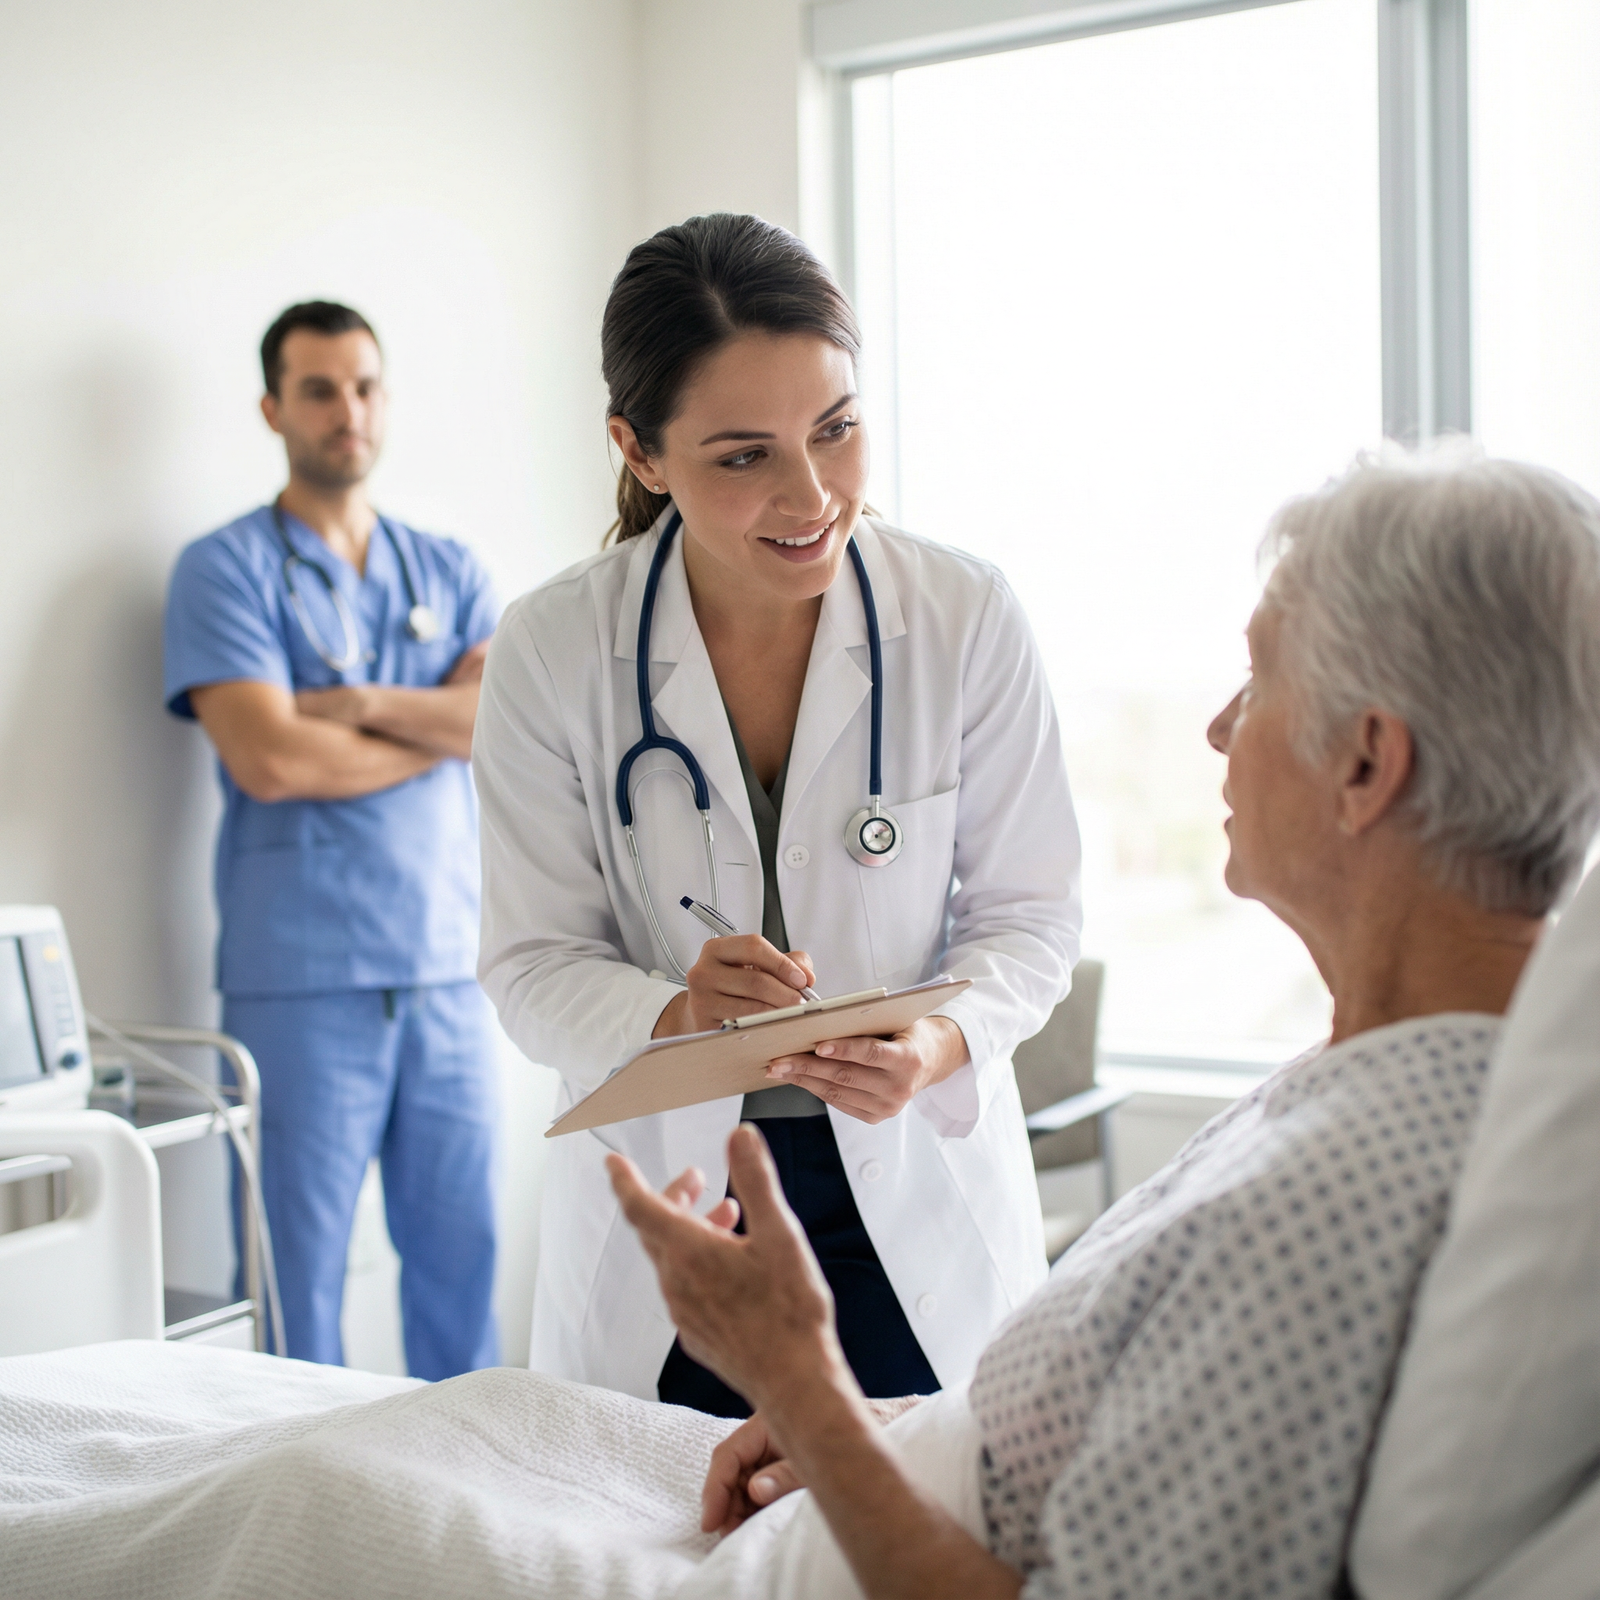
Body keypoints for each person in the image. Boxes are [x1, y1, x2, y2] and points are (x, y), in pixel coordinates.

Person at [607, 448, 1600, 1597]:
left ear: (1367, 761)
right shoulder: (1395, 1079)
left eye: (1258, 681)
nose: (1222, 730)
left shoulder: (1323, 1203)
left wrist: (795, 1378)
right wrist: (877, 1432)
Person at [473, 215, 1082, 1412]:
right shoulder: (553, 647)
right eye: (743, 456)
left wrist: (941, 1043)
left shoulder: (962, 614)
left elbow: (1031, 918)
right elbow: (531, 963)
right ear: (640, 453)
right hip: (680, 1208)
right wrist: (677, 1013)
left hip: (909, 1192)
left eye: (836, 429)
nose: (812, 495)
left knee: (922, 1546)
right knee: (667, 1545)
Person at [162, 300, 502, 1378]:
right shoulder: (224, 570)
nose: (344, 410)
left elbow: (494, 726)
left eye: (363, 386)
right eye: (317, 388)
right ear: (274, 408)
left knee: (461, 1266)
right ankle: (292, 1502)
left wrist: (345, 701)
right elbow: (270, 759)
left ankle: (474, 1501)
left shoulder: (446, 568)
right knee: (291, 1277)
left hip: (447, 968)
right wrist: (425, 720)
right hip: (300, 980)